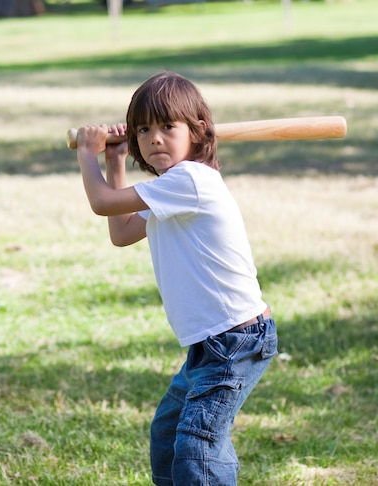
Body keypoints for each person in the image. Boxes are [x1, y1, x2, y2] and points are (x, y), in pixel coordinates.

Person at [75, 71, 278, 486]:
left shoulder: (192, 181)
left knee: (197, 449)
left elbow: (102, 205)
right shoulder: (171, 190)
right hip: (209, 344)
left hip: (235, 340)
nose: (155, 139)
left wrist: (87, 154)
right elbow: (121, 231)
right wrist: (114, 161)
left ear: (197, 132)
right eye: (144, 130)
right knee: (169, 437)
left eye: (168, 127)